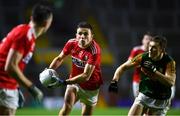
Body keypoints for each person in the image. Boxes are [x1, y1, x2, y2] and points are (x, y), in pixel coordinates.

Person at [0, 3, 53, 115]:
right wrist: (31, 87)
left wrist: (16, 86)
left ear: (31, 18)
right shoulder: (26, 36)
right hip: (4, 84)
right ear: (46, 23)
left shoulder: (23, 30)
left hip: (7, 84)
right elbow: (10, 66)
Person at [45, 21, 103, 116]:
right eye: (80, 33)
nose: (82, 36)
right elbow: (59, 58)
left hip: (90, 87)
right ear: (76, 35)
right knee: (66, 108)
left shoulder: (94, 51)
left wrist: (64, 82)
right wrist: (49, 70)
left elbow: (85, 76)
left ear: (92, 36)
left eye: (85, 34)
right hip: (74, 82)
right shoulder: (71, 43)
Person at [108, 36, 176, 115]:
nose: (150, 50)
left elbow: (171, 82)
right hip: (145, 94)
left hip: (161, 100)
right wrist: (114, 80)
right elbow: (123, 67)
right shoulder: (143, 57)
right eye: (150, 46)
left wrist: (154, 71)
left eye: (154, 47)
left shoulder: (169, 62)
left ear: (162, 49)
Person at [128, 32, 152, 98]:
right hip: (137, 80)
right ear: (142, 40)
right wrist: (139, 64)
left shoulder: (154, 52)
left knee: (147, 101)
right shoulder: (136, 50)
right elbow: (129, 62)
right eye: (146, 39)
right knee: (138, 100)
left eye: (150, 39)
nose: (148, 41)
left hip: (150, 81)